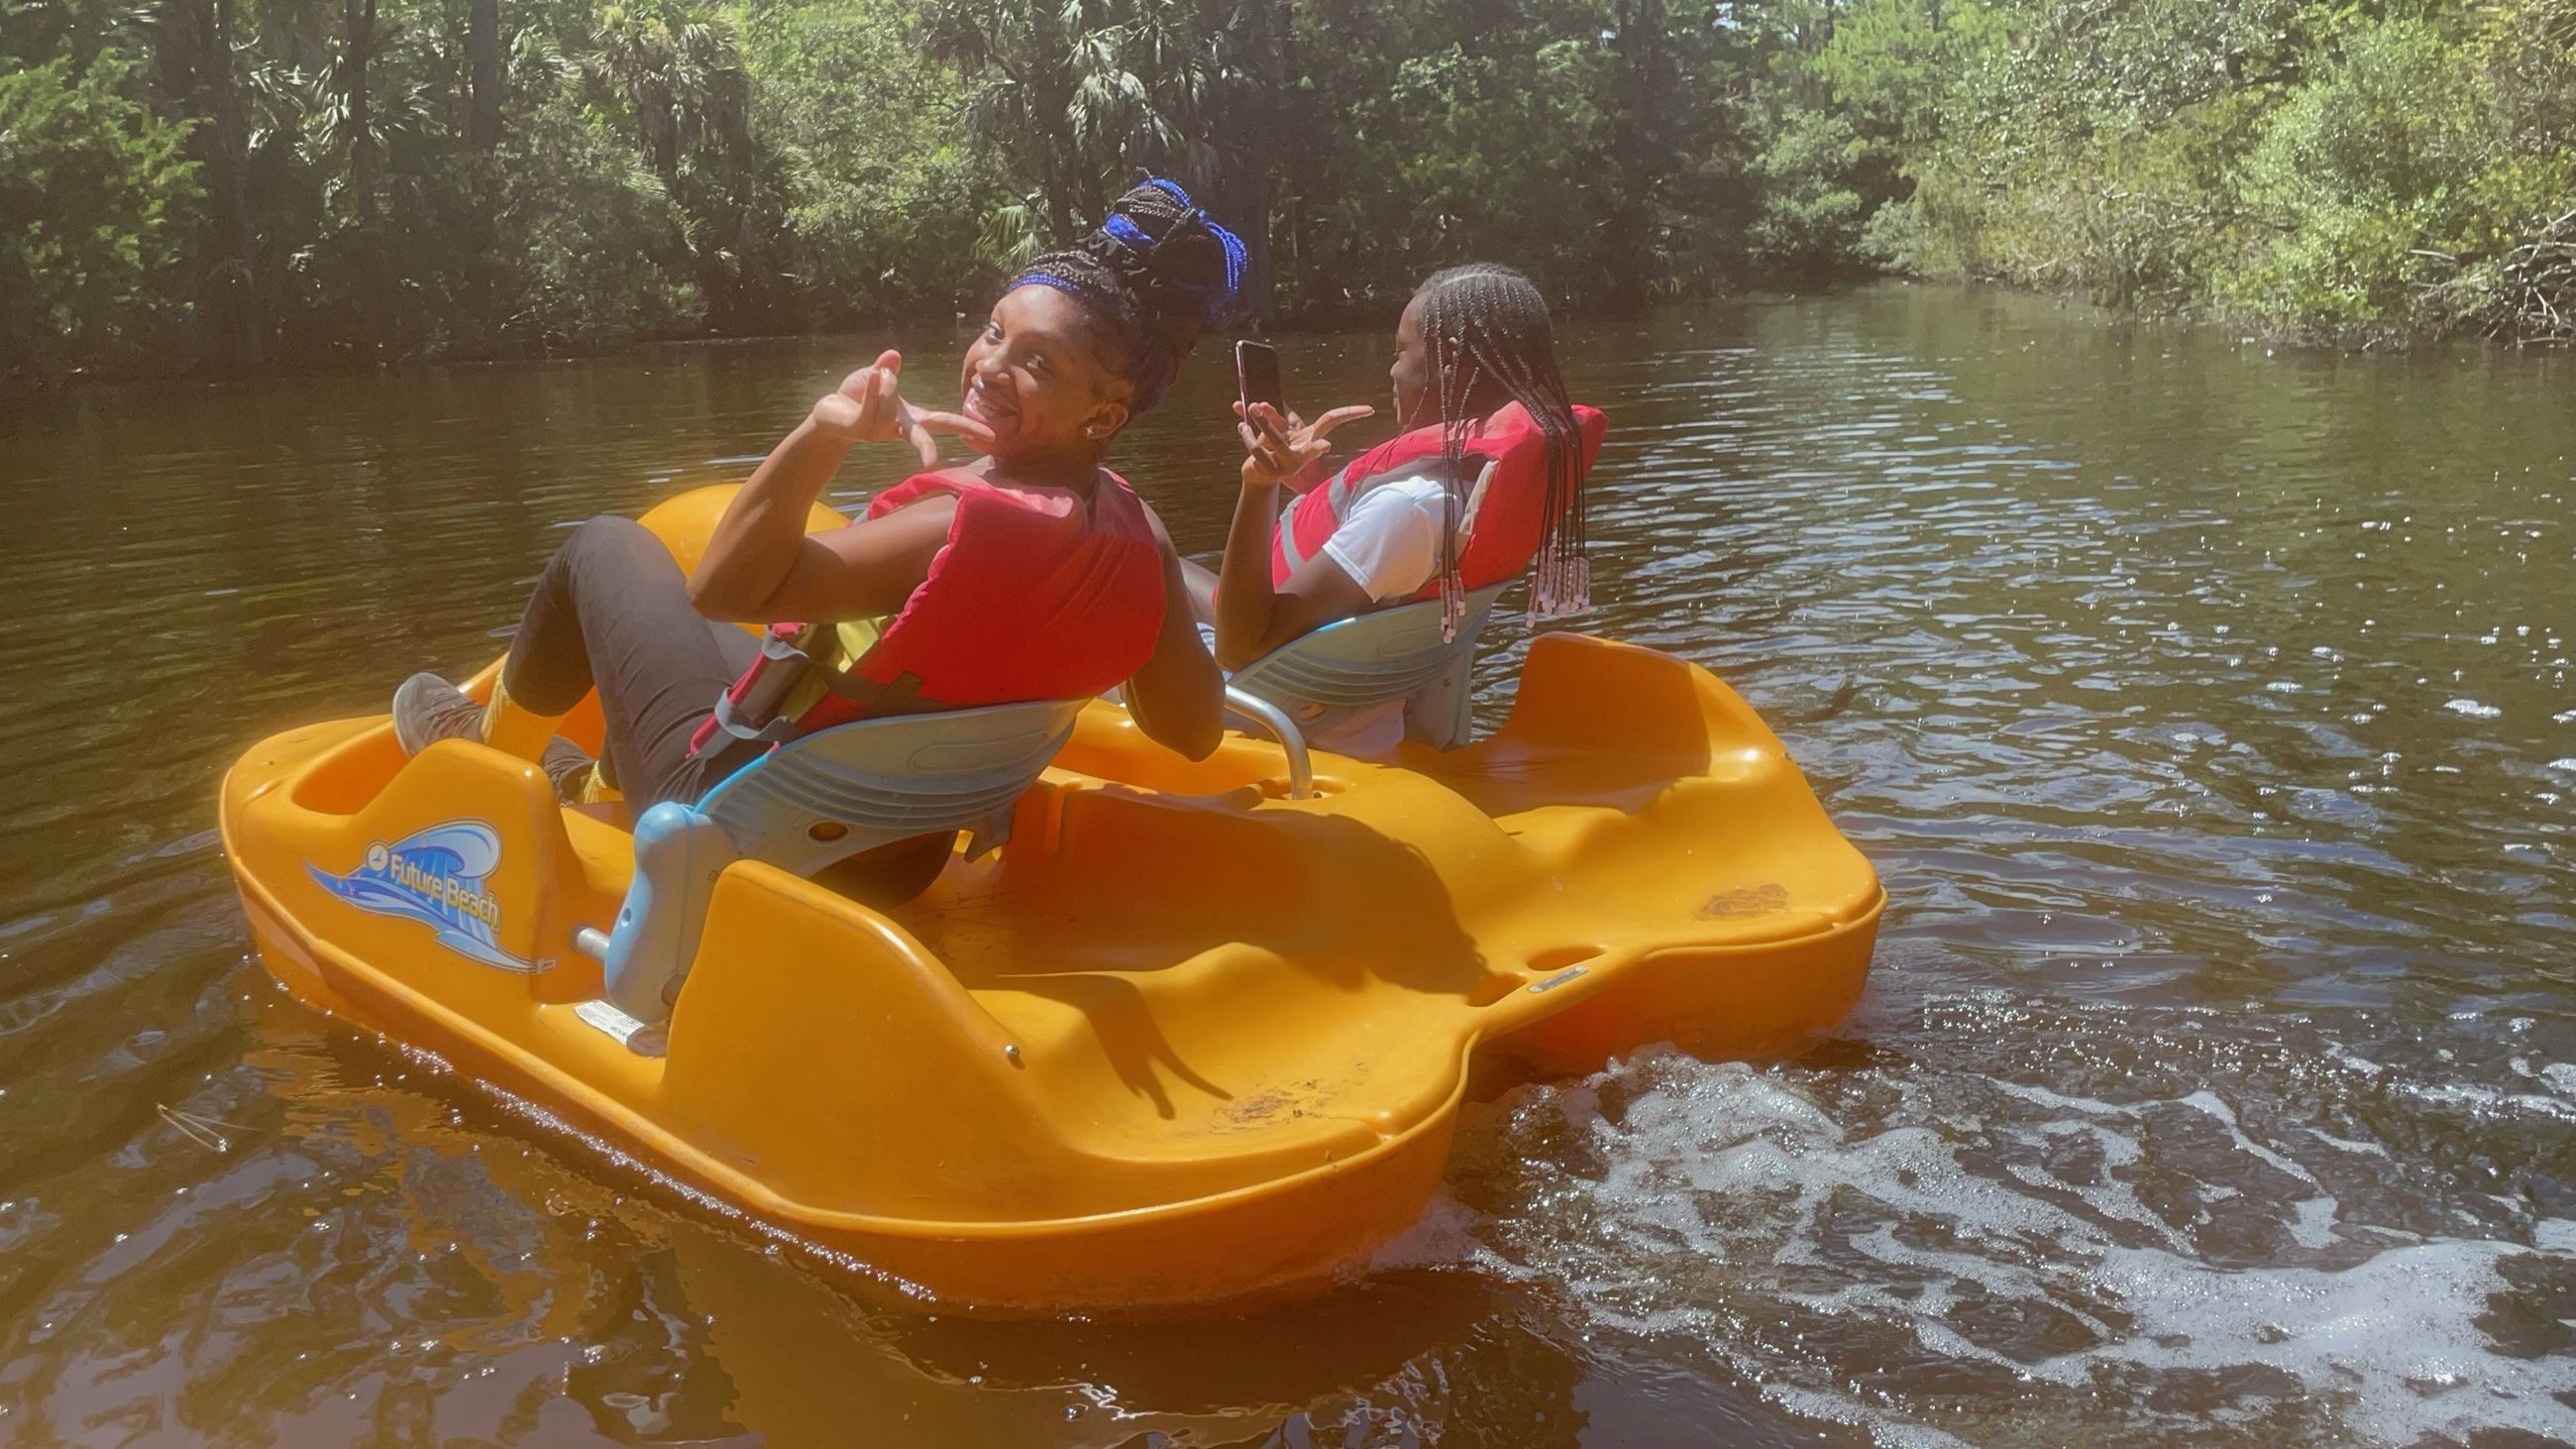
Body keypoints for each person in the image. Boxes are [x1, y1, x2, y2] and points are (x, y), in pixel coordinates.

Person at [387, 179, 1234, 896]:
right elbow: (1193, 731)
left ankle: (484, 774)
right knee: (682, 649)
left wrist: (823, 432)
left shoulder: (957, 525)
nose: (988, 365)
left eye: (1038, 363)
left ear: (1105, 414)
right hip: (896, 858)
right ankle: (596, 779)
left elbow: (723, 590)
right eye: (993, 330)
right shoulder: (1139, 533)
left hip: (739, 838)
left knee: (603, 548)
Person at [1203, 263, 1609, 753]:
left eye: (1400, 352)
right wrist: (1302, 477)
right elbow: (1388, 553)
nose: (1392, 371)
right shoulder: (1481, 489)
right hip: (1361, 701)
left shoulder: (1408, 509)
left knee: (1144, 537)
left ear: (1449, 362)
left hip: (1288, 717)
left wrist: (1259, 485)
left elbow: (1238, 647)